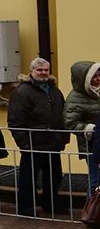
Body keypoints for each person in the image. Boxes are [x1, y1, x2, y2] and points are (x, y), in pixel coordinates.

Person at [8, 57, 67, 217]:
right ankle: (26, 208)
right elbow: (15, 121)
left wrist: (63, 139)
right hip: (32, 144)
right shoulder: (22, 92)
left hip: (53, 142)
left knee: (54, 176)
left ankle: (51, 204)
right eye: (39, 70)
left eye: (46, 70)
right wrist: (24, 143)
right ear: (31, 71)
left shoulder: (55, 90)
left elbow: (62, 115)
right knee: (28, 179)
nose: (43, 73)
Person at [63, 60, 100, 193]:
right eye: (94, 76)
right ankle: (91, 212)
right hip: (91, 146)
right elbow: (71, 123)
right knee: (96, 182)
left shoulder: (98, 91)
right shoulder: (75, 98)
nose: (98, 79)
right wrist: (91, 130)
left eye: (99, 74)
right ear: (84, 79)